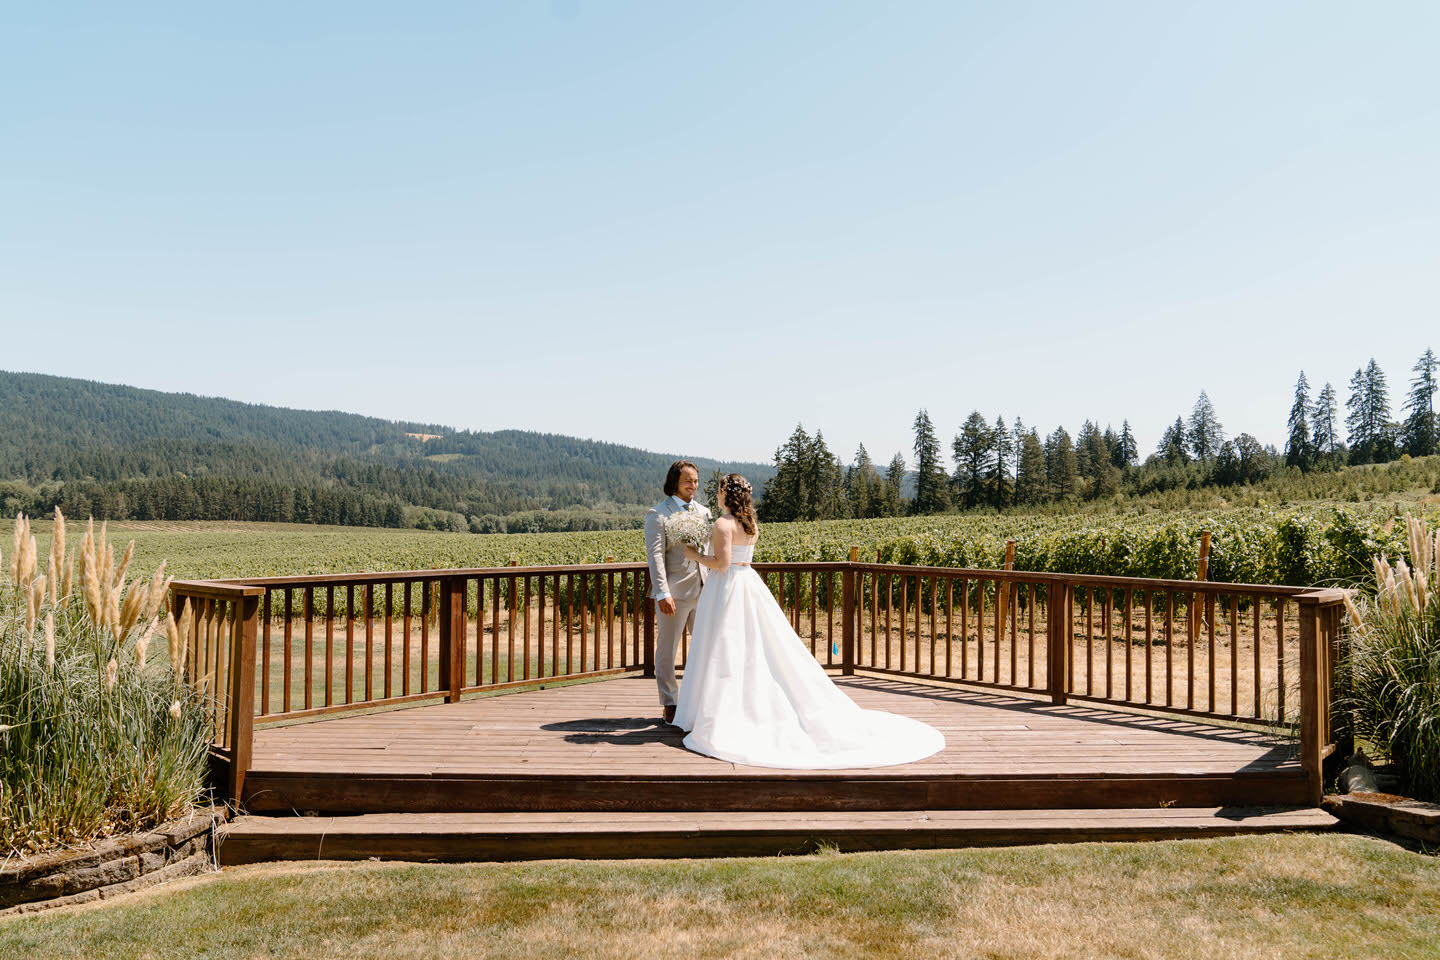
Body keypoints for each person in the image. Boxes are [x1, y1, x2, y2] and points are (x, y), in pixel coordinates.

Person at [673, 474, 945, 768]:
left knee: (723, 647)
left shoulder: (722, 524)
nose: (717, 494)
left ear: (727, 493)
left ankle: (720, 713)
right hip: (748, 583)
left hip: (726, 588)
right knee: (752, 646)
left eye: (719, 490)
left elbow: (722, 564)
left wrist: (694, 554)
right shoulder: (750, 523)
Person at [643, 459, 711, 725]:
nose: (693, 485)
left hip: (704, 590)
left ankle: (700, 701)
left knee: (706, 647)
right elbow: (655, 556)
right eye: (688, 480)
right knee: (667, 650)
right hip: (674, 593)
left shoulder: (704, 512)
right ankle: (670, 702)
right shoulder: (658, 514)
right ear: (675, 482)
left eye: (695, 480)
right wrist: (662, 593)